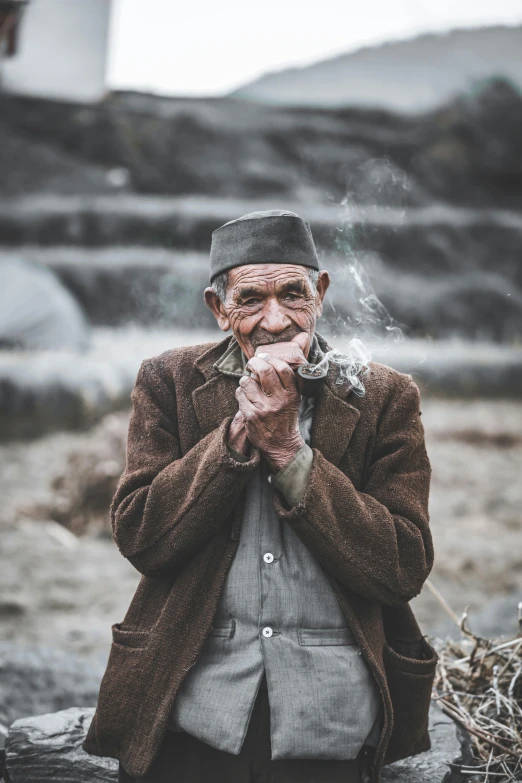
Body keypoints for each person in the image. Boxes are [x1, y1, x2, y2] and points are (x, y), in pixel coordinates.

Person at [82, 209, 438, 783]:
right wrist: (238, 433)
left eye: (293, 294)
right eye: (250, 300)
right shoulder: (168, 381)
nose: (275, 320)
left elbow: (402, 566)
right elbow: (142, 535)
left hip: (331, 720)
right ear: (219, 309)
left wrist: (290, 455)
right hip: (189, 705)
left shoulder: (383, 397)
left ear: (319, 294)